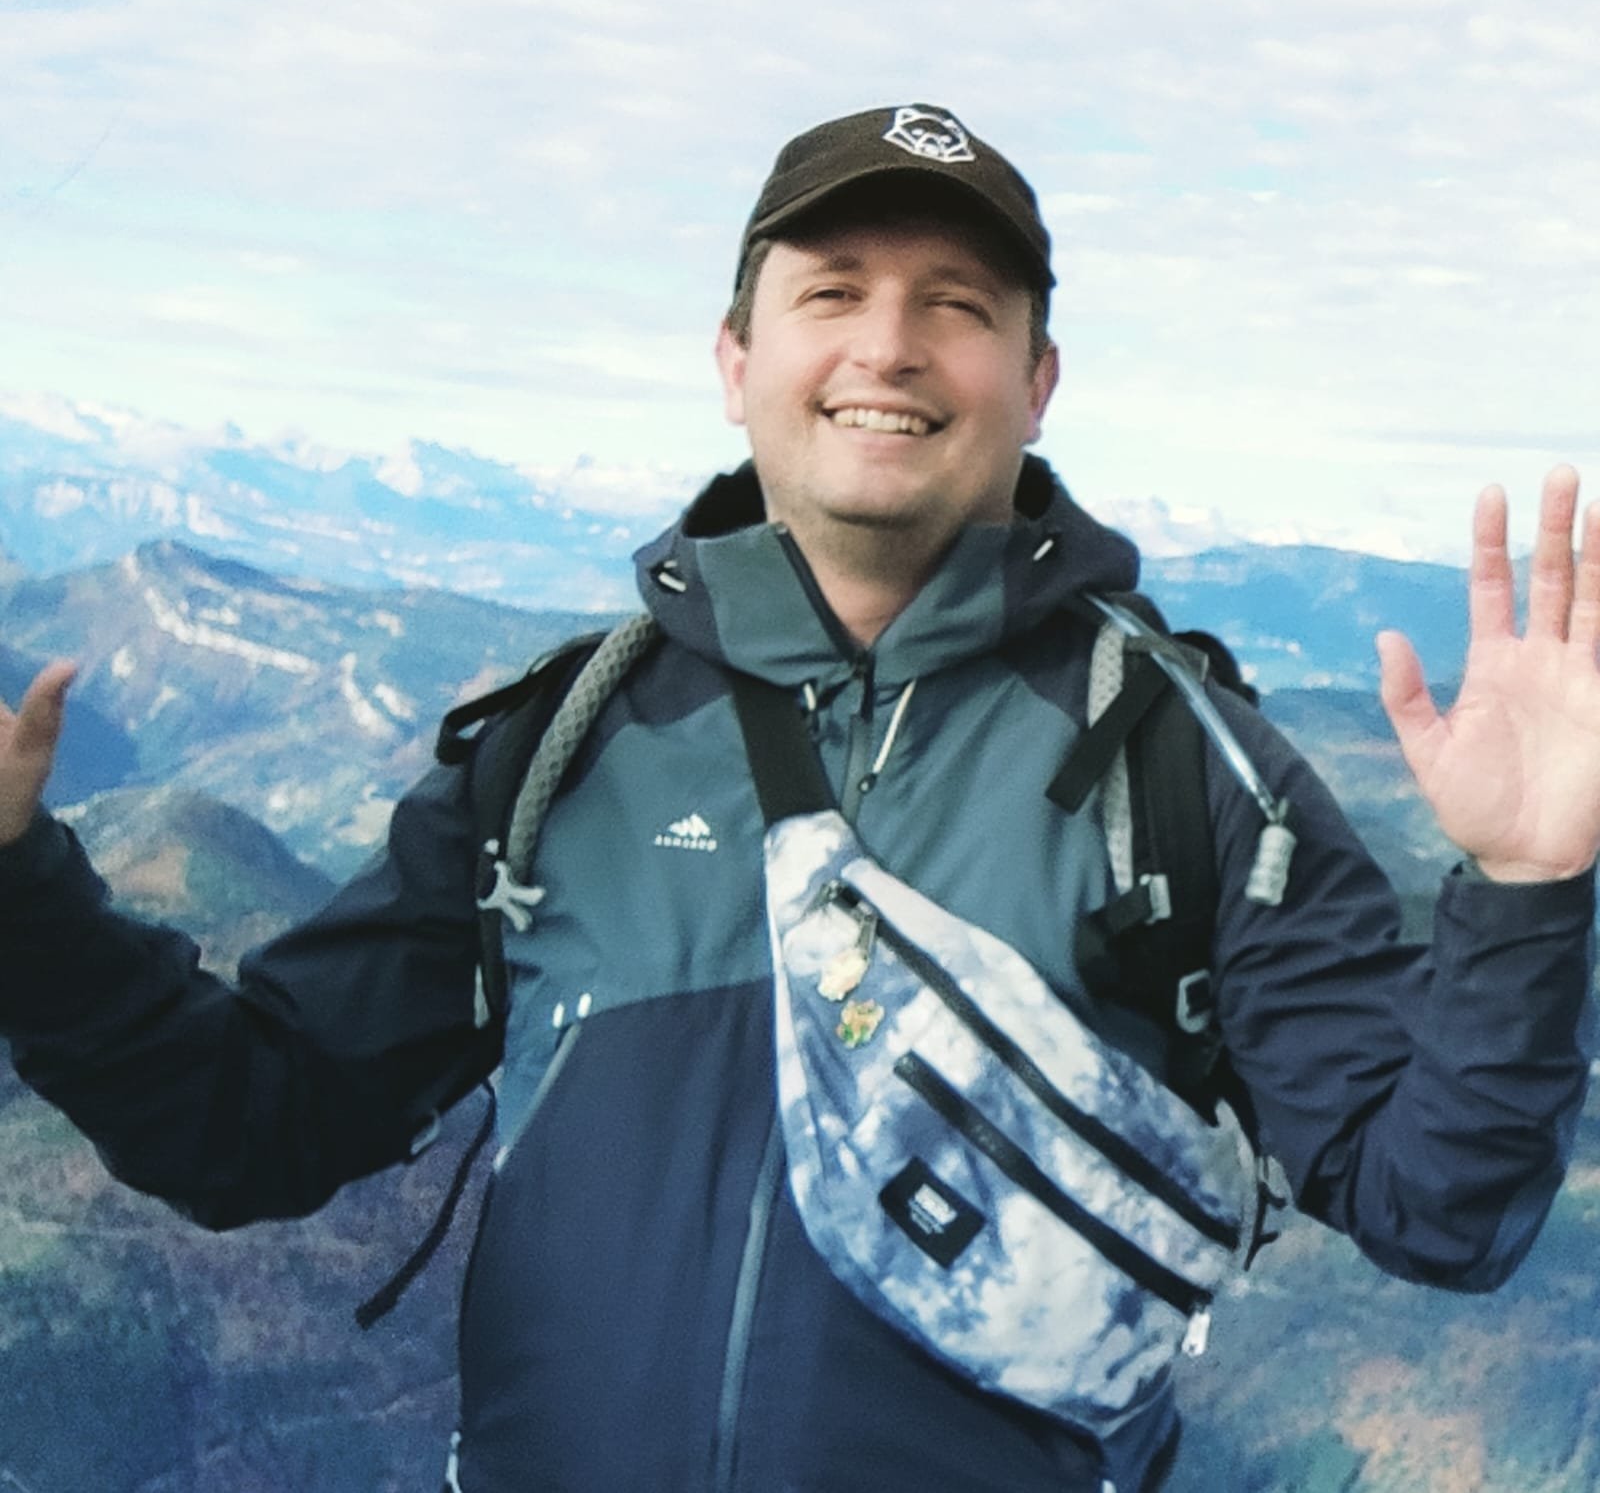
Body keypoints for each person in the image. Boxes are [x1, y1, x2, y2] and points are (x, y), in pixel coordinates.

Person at [2, 102, 1599, 1493]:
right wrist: (15, 881)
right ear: (737, 358)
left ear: (1036, 380)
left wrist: (1525, 892)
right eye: (832, 292)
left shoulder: (1180, 763)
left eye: (954, 305)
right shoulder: (560, 747)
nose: (888, 346)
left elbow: (1436, 1206)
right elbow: (246, 1124)